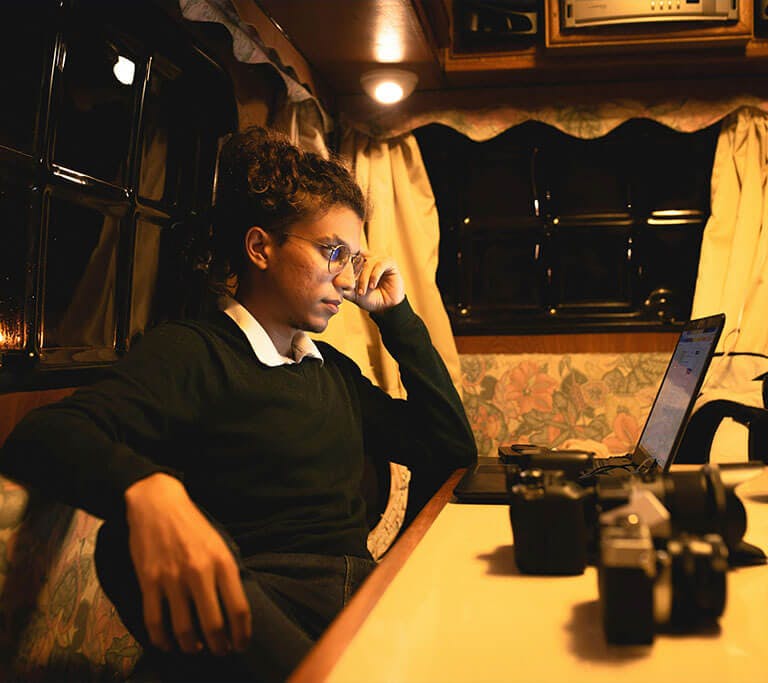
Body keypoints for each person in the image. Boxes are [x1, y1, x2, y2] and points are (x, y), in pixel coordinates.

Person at [0, 126, 476, 682]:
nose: (347, 278)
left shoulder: (331, 371)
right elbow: (42, 435)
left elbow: (451, 448)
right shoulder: (192, 352)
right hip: (260, 605)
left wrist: (396, 317)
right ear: (260, 248)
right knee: (120, 545)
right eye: (333, 252)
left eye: (353, 258)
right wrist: (148, 489)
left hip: (358, 599)